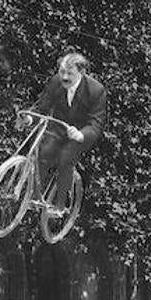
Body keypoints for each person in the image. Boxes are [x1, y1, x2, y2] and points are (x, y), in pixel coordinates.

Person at [27, 52, 107, 214]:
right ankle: (35, 197)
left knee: (65, 159)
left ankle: (60, 205)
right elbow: (43, 106)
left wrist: (81, 134)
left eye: (69, 73)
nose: (64, 77)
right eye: (62, 72)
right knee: (44, 152)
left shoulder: (96, 90)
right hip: (58, 128)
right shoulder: (56, 82)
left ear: (82, 72)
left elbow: (96, 124)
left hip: (80, 134)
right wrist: (30, 118)